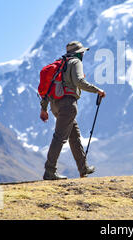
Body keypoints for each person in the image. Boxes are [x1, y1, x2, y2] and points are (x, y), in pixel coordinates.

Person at [40, 41, 106, 180]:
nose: (83, 54)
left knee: (74, 137)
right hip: (68, 104)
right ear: (78, 53)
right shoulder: (75, 62)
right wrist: (97, 90)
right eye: (82, 52)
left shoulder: (60, 64)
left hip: (55, 105)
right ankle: (50, 171)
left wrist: (44, 109)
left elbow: (47, 89)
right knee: (59, 138)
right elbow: (79, 81)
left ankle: (83, 168)